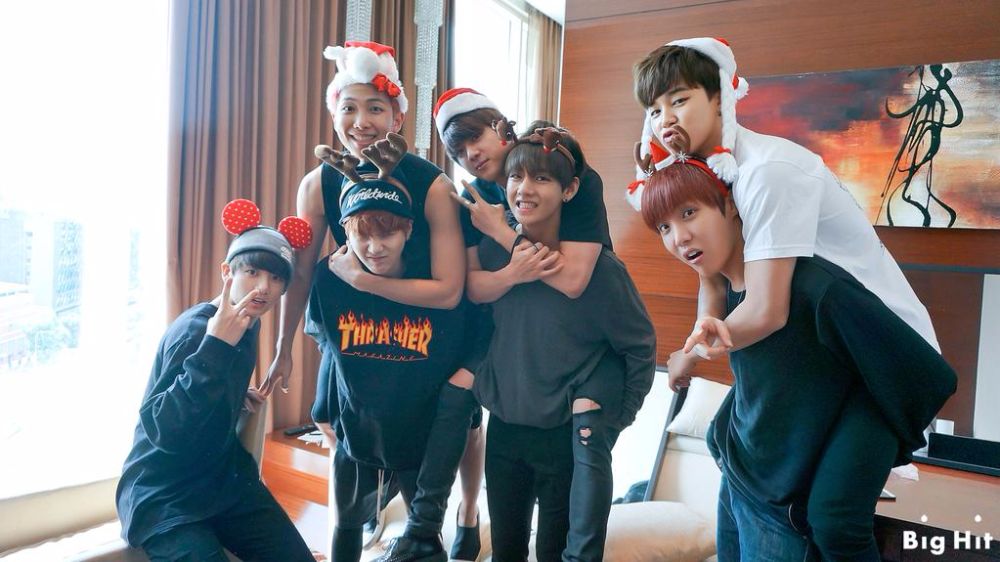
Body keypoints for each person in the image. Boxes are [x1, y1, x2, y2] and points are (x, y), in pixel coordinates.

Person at [639, 158, 957, 561]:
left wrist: (843, 483)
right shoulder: (729, 292)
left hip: (782, 509)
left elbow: (926, 374)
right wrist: (720, 435)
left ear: (731, 205)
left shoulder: (814, 287)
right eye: (664, 227)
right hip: (739, 483)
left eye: (689, 213)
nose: (679, 237)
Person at [629, 37, 940, 391]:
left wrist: (695, 352)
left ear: (720, 98)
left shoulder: (766, 172)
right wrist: (698, 336)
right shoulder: (708, 171)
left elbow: (766, 311)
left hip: (889, 350)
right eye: (654, 111)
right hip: (828, 347)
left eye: (679, 101)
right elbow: (711, 278)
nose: (665, 120)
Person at [471, 128, 657, 561]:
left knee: (553, 552)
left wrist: (617, 419)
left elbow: (640, 347)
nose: (524, 189)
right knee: (505, 552)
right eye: (516, 177)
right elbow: (473, 316)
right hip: (504, 429)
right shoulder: (493, 253)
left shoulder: (600, 271)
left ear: (569, 190)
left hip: (563, 437)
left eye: (541, 178)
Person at [306, 141, 489, 562]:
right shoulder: (329, 278)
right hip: (358, 425)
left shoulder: (434, 280)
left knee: (422, 537)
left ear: (408, 229)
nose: (375, 247)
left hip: (422, 428)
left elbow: (477, 329)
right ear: (345, 231)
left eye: (387, 232)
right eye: (362, 234)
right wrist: (323, 407)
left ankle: (467, 515)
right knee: (346, 523)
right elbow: (328, 342)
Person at [116, 200, 315, 561]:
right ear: (228, 272)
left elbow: (204, 392)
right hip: (164, 490)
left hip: (222, 480)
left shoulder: (249, 324)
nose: (263, 288)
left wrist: (233, 395)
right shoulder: (195, 331)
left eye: (276, 278)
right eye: (252, 272)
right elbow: (162, 431)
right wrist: (215, 347)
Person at [433, 88, 613, 302]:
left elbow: (572, 281)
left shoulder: (570, 174)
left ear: (501, 127)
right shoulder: (474, 198)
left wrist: (500, 231)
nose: (471, 154)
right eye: (460, 153)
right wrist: (512, 274)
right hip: (517, 316)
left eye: (475, 136)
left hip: (588, 309)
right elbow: (474, 289)